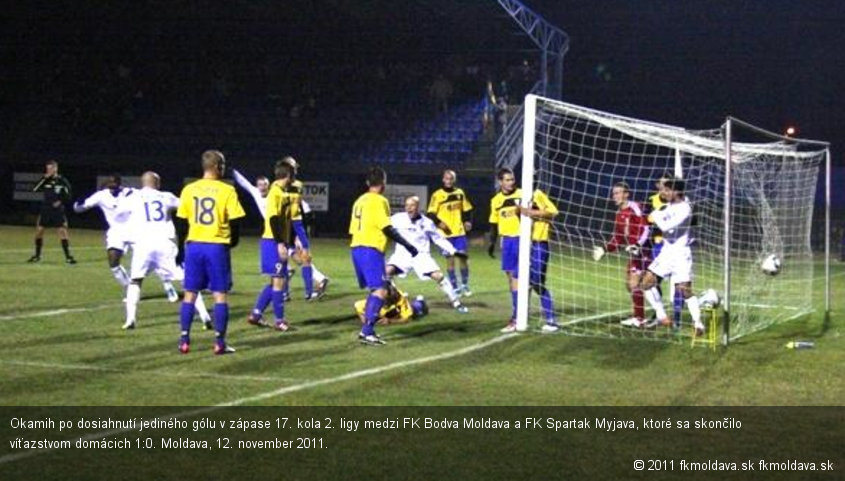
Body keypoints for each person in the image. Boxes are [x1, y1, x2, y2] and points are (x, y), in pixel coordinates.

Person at [118, 172, 212, 330]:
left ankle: (130, 320)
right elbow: (186, 206)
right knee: (186, 281)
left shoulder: (133, 197)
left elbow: (120, 212)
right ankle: (205, 316)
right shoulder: (166, 197)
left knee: (135, 280)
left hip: (143, 243)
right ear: (158, 183)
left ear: (143, 183)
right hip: (164, 243)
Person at [174, 150, 246, 354]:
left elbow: (182, 222)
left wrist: (180, 249)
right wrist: (232, 242)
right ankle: (219, 343)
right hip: (216, 246)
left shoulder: (189, 189)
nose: (223, 168)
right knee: (219, 296)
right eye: (222, 164)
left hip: (194, 245)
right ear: (216, 166)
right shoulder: (227, 190)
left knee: (190, 294)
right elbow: (235, 220)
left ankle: (184, 340)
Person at [73, 174, 178, 301]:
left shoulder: (131, 193)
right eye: (109, 183)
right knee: (113, 261)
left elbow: (147, 196)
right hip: (116, 232)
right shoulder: (101, 196)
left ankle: (168, 285)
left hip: (134, 229)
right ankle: (131, 289)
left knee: (153, 258)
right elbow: (81, 207)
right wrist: (77, 202)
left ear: (119, 183)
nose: (111, 186)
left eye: (114, 183)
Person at [350, 167, 419, 345]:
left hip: (356, 247)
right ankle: (367, 332)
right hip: (370, 248)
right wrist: (408, 245)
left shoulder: (359, 200)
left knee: (375, 290)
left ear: (367, 182)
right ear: (383, 182)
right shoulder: (379, 200)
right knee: (380, 290)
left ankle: (368, 331)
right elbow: (387, 228)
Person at [636, 178, 705, 335]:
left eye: (667, 190)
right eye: (663, 189)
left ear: (677, 192)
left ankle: (698, 324)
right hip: (666, 253)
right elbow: (653, 219)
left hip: (681, 254)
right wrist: (654, 214)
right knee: (646, 283)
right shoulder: (667, 207)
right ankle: (661, 315)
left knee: (685, 291)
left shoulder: (685, 209)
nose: (664, 193)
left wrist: (655, 215)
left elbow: (666, 226)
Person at [387, 195, 469, 313]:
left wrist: (453, 251)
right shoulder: (397, 218)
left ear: (418, 207)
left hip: (421, 256)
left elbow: (438, 239)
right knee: (386, 273)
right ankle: (396, 298)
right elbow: (383, 225)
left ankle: (456, 303)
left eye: (412, 205)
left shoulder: (427, 222)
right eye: (407, 205)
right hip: (402, 255)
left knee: (439, 277)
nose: (409, 208)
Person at [591, 182, 652, 328]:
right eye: (614, 193)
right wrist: (604, 249)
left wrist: (638, 245)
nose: (615, 196)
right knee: (631, 285)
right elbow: (618, 238)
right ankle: (640, 317)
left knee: (636, 284)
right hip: (634, 254)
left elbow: (646, 229)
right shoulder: (619, 214)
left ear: (627, 194)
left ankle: (643, 318)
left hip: (645, 251)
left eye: (618, 193)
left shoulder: (635, 207)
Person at [247, 160, 297, 331]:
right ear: (289, 175)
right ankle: (279, 321)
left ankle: (256, 314)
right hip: (272, 242)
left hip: (271, 241)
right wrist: (281, 244)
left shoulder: (278, 192)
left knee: (275, 282)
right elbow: (274, 219)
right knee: (279, 283)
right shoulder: (276, 192)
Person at [279, 156, 330, 301]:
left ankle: (308, 293)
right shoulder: (276, 186)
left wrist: (298, 234)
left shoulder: (298, 185)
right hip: (285, 225)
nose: (296, 170)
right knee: (285, 259)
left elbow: (298, 207)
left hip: (296, 224)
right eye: (293, 167)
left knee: (305, 258)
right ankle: (284, 293)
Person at [517, 188, 561, 332]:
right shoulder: (518, 196)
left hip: (539, 243)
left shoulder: (537, 194)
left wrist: (530, 212)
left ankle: (551, 319)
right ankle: (521, 316)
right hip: (524, 244)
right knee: (521, 280)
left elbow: (553, 212)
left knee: (537, 282)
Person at [427, 169, 474, 296]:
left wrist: (467, 221)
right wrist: (439, 222)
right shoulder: (437, 195)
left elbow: (467, 209)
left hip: (459, 232)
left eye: (451, 179)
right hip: (445, 234)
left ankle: (464, 284)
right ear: (443, 179)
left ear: (454, 180)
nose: (448, 181)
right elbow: (431, 213)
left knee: (463, 258)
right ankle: (455, 287)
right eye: (446, 178)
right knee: (451, 261)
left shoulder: (460, 193)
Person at [487, 168, 522, 332]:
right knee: (511, 279)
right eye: (507, 180)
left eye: (512, 179)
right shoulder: (496, 200)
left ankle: (517, 316)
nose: (511, 182)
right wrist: (492, 243)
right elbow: (494, 223)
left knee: (519, 278)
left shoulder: (522, 194)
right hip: (507, 240)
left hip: (521, 239)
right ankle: (518, 310)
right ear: (500, 182)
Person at [647, 173, 683, 327]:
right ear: (657, 186)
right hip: (658, 245)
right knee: (652, 282)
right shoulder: (651, 201)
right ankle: (658, 315)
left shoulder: (682, 203)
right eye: (661, 184)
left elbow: (690, 223)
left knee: (679, 284)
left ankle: (677, 319)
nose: (663, 187)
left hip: (677, 248)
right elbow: (648, 222)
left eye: (666, 185)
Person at [27, 160, 76, 264]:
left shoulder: (62, 180)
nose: (48, 170)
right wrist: (44, 178)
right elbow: (35, 189)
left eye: (50, 168)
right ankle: (37, 256)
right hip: (45, 209)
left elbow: (69, 194)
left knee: (62, 232)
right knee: (39, 232)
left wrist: (60, 201)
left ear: (55, 169)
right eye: (47, 168)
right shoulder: (45, 180)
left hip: (57, 211)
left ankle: (68, 257)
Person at [354, 282, 428, 325]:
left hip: (399, 310)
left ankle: (420, 302)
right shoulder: (374, 300)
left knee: (416, 310)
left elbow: (407, 318)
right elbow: (358, 305)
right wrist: (365, 321)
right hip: (387, 311)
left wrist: (390, 321)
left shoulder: (399, 298)